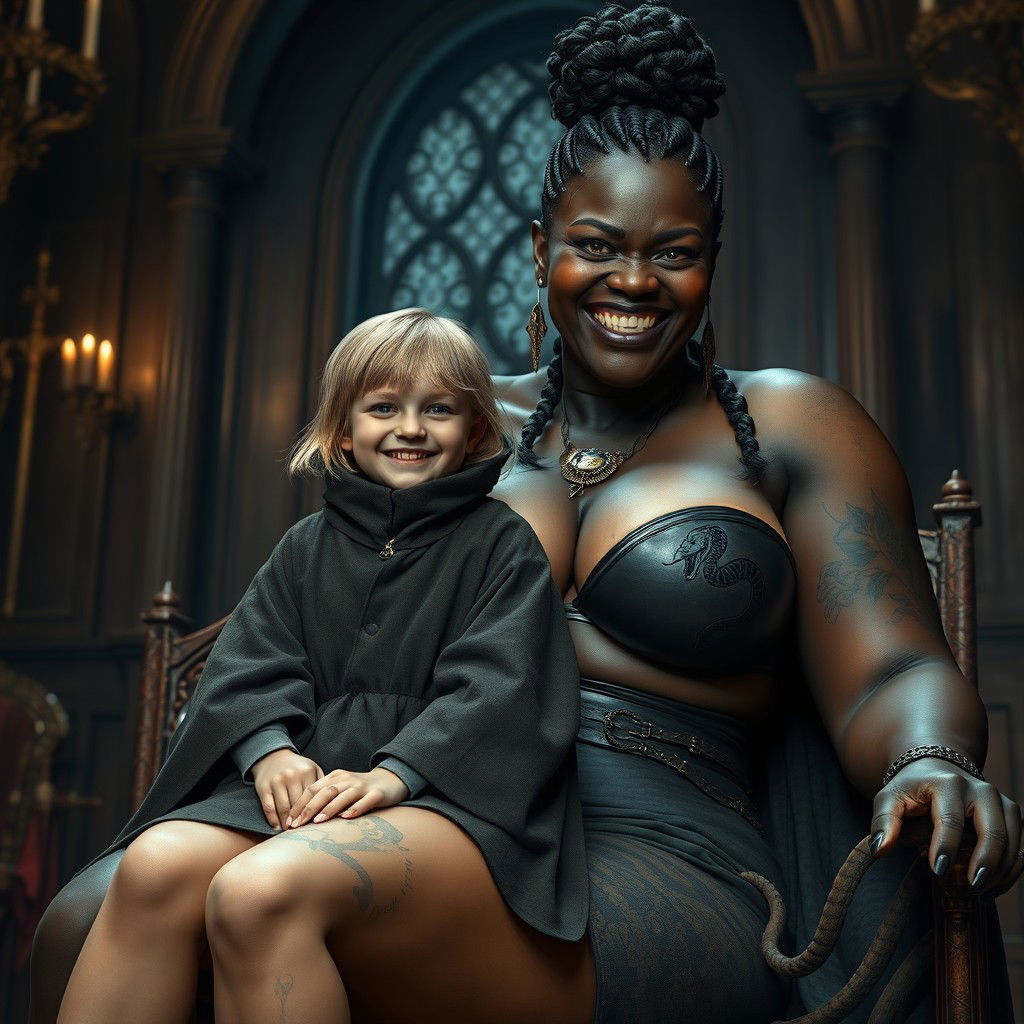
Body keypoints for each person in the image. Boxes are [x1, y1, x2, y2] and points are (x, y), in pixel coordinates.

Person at [32, 6, 1023, 1023]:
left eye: (673, 251)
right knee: (115, 898)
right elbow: (322, 607)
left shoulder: (793, 422)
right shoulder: (446, 424)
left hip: (660, 846)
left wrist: (927, 759)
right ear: (537, 245)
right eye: (595, 245)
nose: (633, 280)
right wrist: (287, 755)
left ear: (712, 256)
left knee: (270, 891)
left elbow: (892, 668)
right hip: (424, 799)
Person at [49, 308, 590, 1024]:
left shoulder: (502, 545)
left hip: (443, 798)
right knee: (154, 864)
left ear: (475, 434)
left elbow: (504, 689)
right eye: (383, 408)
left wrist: (395, 773)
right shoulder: (306, 545)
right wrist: (268, 751)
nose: (411, 428)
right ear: (344, 429)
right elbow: (250, 663)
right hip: (305, 790)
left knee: (254, 893)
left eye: (439, 410)